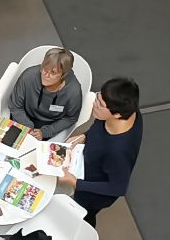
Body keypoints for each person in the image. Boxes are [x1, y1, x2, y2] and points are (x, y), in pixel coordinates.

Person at [56, 78, 142, 227]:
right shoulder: (125, 110)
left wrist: (74, 182)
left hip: (92, 191)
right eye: (98, 97)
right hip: (87, 164)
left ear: (117, 115)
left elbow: (118, 188)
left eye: (100, 104)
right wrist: (85, 136)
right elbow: (100, 126)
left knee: (82, 215)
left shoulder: (118, 151)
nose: (94, 104)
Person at [8, 48, 84, 142]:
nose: (46, 75)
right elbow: (15, 106)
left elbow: (70, 118)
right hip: (23, 119)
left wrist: (45, 132)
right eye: (45, 68)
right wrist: (28, 127)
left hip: (50, 127)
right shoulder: (28, 76)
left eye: (53, 72)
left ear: (63, 75)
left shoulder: (73, 91)